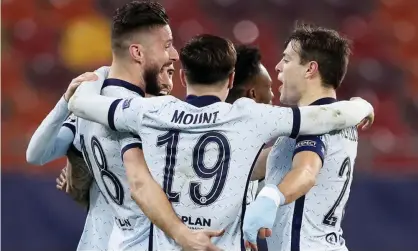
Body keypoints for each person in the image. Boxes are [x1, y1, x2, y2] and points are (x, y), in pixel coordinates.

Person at [67, 34, 374, 250]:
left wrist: (89, 83)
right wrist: (362, 105)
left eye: (285, 59)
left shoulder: (153, 111)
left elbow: (83, 106)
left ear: (184, 77)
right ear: (230, 80)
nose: (279, 67)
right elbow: (324, 119)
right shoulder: (253, 117)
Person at [25, 1, 181, 250]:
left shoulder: (89, 104)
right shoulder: (144, 111)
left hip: (97, 241)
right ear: (137, 53)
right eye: (166, 46)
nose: (174, 55)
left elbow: (36, 154)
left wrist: (67, 101)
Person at [242, 23, 371, 251]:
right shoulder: (332, 120)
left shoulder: (315, 124)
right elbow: (258, 163)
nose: (278, 66)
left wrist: (271, 197)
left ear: (310, 69)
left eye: (287, 59)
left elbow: (306, 172)